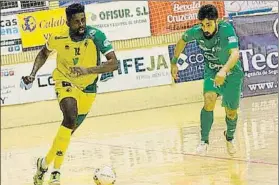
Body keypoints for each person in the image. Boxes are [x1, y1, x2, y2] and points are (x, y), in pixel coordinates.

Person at [20, 3, 118, 185]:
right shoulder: (58, 36)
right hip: (64, 79)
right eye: (76, 22)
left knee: (67, 131)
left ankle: (43, 164)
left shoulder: (95, 35)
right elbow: (43, 53)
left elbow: (114, 63)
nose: (81, 24)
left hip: (88, 88)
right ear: (67, 22)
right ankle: (56, 173)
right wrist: (32, 74)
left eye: (83, 20)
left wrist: (88, 70)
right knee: (70, 116)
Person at [171, 4, 244, 156]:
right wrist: (174, 62)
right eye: (202, 25)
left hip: (232, 73)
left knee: (231, 112)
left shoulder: (226, 30)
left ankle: (229, 138)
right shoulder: (197, 32)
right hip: (211, 70)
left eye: (209, 25)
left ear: (216, 21)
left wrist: (224, 71)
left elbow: (235, 54)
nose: (205, 29)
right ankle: (204, 141)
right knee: (209, 99)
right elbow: (182, 41)